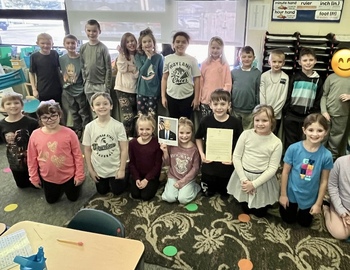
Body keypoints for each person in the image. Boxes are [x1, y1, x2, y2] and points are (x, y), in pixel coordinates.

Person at [227, 105, 283, 217]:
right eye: (257, 120)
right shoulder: (246, 134)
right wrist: (244, 180)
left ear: (272, 121)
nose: (260, 124)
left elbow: (272, 168)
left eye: (265, 120)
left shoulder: (276, 142)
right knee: (245, 209)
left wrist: (253, 184)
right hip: (244, 176)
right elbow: (236, 157)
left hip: (262, 180)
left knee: (259, 213)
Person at [279, 113, 333, 227]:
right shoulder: (293, 149)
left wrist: (318, 203)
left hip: (310, 195)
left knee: (304, 223)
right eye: (311, 130)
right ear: (304, 130)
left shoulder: (326, 156)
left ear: (326, 132)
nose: (314, 134)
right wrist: (283, 195)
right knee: (288, 219)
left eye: (320, 130)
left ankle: (322, 206)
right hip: (291, 192)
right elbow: (285, 172)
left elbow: (324, 181)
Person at [27, 100, 85, 204]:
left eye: (53, 115)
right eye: (45, 117)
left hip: (69, 176)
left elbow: (77, 155)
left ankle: (78, 185)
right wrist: (34, 177)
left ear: (60, 115)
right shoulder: (35, 135)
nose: (49, 120)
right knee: (51, 201)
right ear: (39, 119)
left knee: (73, 198)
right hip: (48, 178)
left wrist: (79, 174)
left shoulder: (70, 133)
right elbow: (31, 158)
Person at [195, 89, 243, 197]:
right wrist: (202, 154)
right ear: (210, 105)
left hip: (226, 165)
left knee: (225, 193)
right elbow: (198, 137)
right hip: (209, 164)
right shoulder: (206, 121)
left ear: (229, 105)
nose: (219, 107)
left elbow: (241, 143)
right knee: (207, 193)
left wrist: (233, 157)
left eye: (223, 104)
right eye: (215, 104)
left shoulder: (235, 122)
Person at [83, 93, 128, 195]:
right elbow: (87, 150)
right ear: (92, 108)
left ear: (111, 106)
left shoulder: (118, 126)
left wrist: (122, 169)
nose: (102, 106)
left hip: (115, 168)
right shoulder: (89, 127)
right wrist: (91, 170)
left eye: (105, 103)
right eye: (98, 104)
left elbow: (124, 149)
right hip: (99, 170)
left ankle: (127, 172)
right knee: (102, 192)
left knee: (118, 191)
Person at [283, 47, 323, 151]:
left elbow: (318, 99)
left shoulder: (318, 80)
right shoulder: (294, 77)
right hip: (291, 115)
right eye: (305, 60)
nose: (308, 63)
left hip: (307, 117)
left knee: (305, 142)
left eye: (310, 60)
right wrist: (287, 112)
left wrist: (312, 114)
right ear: (300, 62)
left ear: (315, 61)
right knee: (290, 142)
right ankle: (289, 163)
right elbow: (287, 95)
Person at [0, 93, 39, 188]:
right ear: (3, 107)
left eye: (16, 103)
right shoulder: (1, 125)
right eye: (8, 103)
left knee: (37, 185)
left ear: (22, 105)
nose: (13, 106)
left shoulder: (32, 122)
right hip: (15, 163)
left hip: (33, 162)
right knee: (22, 186)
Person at [161, 117, 201, 204]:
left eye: (188, 133)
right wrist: (165, 152)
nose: (184, 136)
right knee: (170, 198)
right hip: (173, 176)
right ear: (177, 132)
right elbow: (166, 163)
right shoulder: (172, 145)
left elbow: (195, 168)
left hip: (188, 179)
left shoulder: (194, 149)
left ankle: (195, 187)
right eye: (181, 133)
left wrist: (183, 182)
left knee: (183, 199)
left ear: (192, 133)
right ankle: (175, 189)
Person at [161, 31, 201, 119]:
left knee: (186, 123)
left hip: (187, 97)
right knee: (173, 122)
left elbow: (197, 79)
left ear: (187, 44)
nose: (180, 44)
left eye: (183, 42)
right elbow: (164, 78)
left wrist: (196, 98)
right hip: (171, 96)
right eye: (178, 41)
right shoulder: (168, 59)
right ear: (173, 44)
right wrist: (163, 96)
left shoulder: (192, 60)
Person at [59, 34, 91, 139]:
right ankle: (78, 129)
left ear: (77, 44)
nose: (70, 45)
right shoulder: (62, 59)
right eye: (68, 43)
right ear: (64, 45)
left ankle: (86, 129)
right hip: (68, 90)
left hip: (80, 89)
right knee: (73, 110)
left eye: (73, 43)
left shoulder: (81, 58)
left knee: (83, 111)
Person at [129, 113, 163, 200]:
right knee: (135, 194)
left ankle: (156, 182)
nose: (144, 132)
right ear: (137, 129)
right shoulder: (132, 143)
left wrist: (146, 179)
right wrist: (137, 178)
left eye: (148, 129)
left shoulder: (157, 143)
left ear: (153, 129)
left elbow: (157, 165)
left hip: (151, 175)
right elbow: (131, 163)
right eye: (141, 129)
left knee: (145, 196)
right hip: (138, 174)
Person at [80, 19, 112, 105]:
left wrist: (107, 86)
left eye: (94, 31)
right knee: (93, 109)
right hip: (89, 85)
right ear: (85, 31)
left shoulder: (103, 48)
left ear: (99, 31)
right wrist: (85, 81)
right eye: (89, 30)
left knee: (104, 108)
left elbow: (109, 68)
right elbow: (82, 66)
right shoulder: (83, 48)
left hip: (101, 85)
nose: (91, 33)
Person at [199, 36, 232, 119]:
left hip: (220, 102)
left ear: (222, 49)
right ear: (209, 48)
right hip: (206, 100)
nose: (215, 50)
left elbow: (228, 83)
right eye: (213, 48)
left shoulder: (225, 64)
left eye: (218, 48)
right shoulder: (204, 64)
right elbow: (200, 83)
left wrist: (223, 97)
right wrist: (200, 97)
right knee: (206, 123)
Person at [114, 32, 139, 138]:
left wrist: (132, 69)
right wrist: (122, 54)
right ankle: (125, 138)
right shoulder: (122, 55)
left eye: (132, 41)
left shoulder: (138, 56)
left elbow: (138, 73)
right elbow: (122, 69)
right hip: (122, 90)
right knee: (128, 117)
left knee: (135, 117)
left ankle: (133, 138)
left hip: (134, 90)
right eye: (127, 42)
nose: (130, 43)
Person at [321, 71, 350, 160]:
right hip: (327, 114)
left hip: (343, 115)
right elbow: (324, 95)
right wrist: (324, 111)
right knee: (322, 137)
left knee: (336, 140)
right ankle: (318, 158)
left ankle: (331, 160)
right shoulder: (331, 77)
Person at [231, 46, 261, 130]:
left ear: (254, 58)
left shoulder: (257, 73)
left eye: (249, 56)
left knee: (247, 132)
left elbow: (258, 92)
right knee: (235, 130)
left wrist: (257, 107)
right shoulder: (234, 72)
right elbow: (230, 90)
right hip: (235, 109)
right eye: (243, 57)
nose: (246, 59)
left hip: (250, 110)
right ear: (239, 58)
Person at [260, 49, 289, 135]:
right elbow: (262, 93)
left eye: (280, 62)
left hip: (276, 115)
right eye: (274, 61)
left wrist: (274, 113)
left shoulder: (285, 77)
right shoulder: (264, 76)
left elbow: (283, 97)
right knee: (263, 133)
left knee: (273, 135)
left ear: (283, 63)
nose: (277, 64)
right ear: (269, 62)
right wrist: (265, 110)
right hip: (264, 112)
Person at [135, 28, 163, 115]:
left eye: (149, 41)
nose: (147, 44)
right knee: (141, 116)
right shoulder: (138, 56)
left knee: (152, 116)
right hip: (141, 91)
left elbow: (161, 75)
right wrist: (149, 58)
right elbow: (142, 72)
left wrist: (161, 93)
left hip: (154, 92)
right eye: (144, 42)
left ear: (153, 43)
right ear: (141, 45)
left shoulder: (159, 57)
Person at [29, 33, 62, 104]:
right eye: (42, 43)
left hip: (57, 89)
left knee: (58, 109)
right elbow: (31, 73)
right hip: (43, 90)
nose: (45, 46)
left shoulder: (55, 53)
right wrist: (34, 89)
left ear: (52, 44)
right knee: (45, 111)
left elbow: (58, 69)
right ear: (37, 43)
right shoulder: (34, 56)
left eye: (48, 43)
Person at [323, 155, 350, 240]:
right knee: (340, 233)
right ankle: (326, 208)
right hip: (341, 205)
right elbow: (332, 186)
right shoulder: (340, 162)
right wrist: (341, 211)